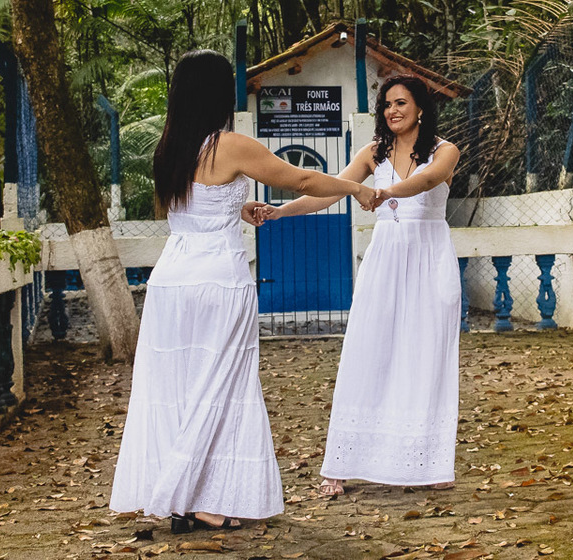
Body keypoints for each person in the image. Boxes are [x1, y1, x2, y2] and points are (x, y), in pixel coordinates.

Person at [109, 50, 376, 533]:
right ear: (215, 94)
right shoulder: (229, 144)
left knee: (178, 387)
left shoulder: (169, 148)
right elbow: (300, 177)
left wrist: (235, 210)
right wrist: (354, 188)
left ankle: (179, 493)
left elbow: (190, 211)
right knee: (221, 385)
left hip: (171, 280)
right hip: (216, 278)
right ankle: (200, 501)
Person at [256, 75, 461, 496]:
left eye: (401, 102)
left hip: (430, 256)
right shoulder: (373, 153)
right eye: (386, 104)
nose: (393, 111)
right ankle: (342, 462)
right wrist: (280, 212)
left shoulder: (446, 150)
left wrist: (383, 192)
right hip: (385, 258)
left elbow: (427, 181)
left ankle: (428, 460)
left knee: (428, 355)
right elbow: (329, 192)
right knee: (368, 350)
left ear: (421, 107)